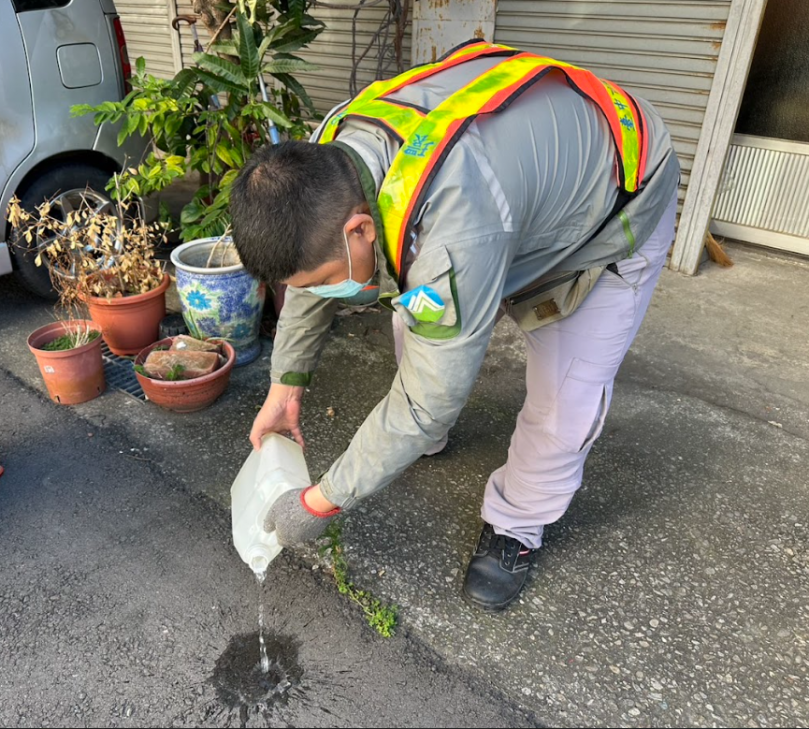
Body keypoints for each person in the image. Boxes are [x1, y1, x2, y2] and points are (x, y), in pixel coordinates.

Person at [229, 40, 680, 611]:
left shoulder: (455, 231)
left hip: (614, 203)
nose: (315, 293)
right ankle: (416, 448)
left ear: (361, 231)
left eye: (319, 279)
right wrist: (284, 385)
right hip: (515, 180)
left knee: (566, 395)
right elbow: (310, 276)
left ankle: (518, 523)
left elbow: (426, 400)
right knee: (418, 323)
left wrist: (322, 501)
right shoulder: (326, 163)